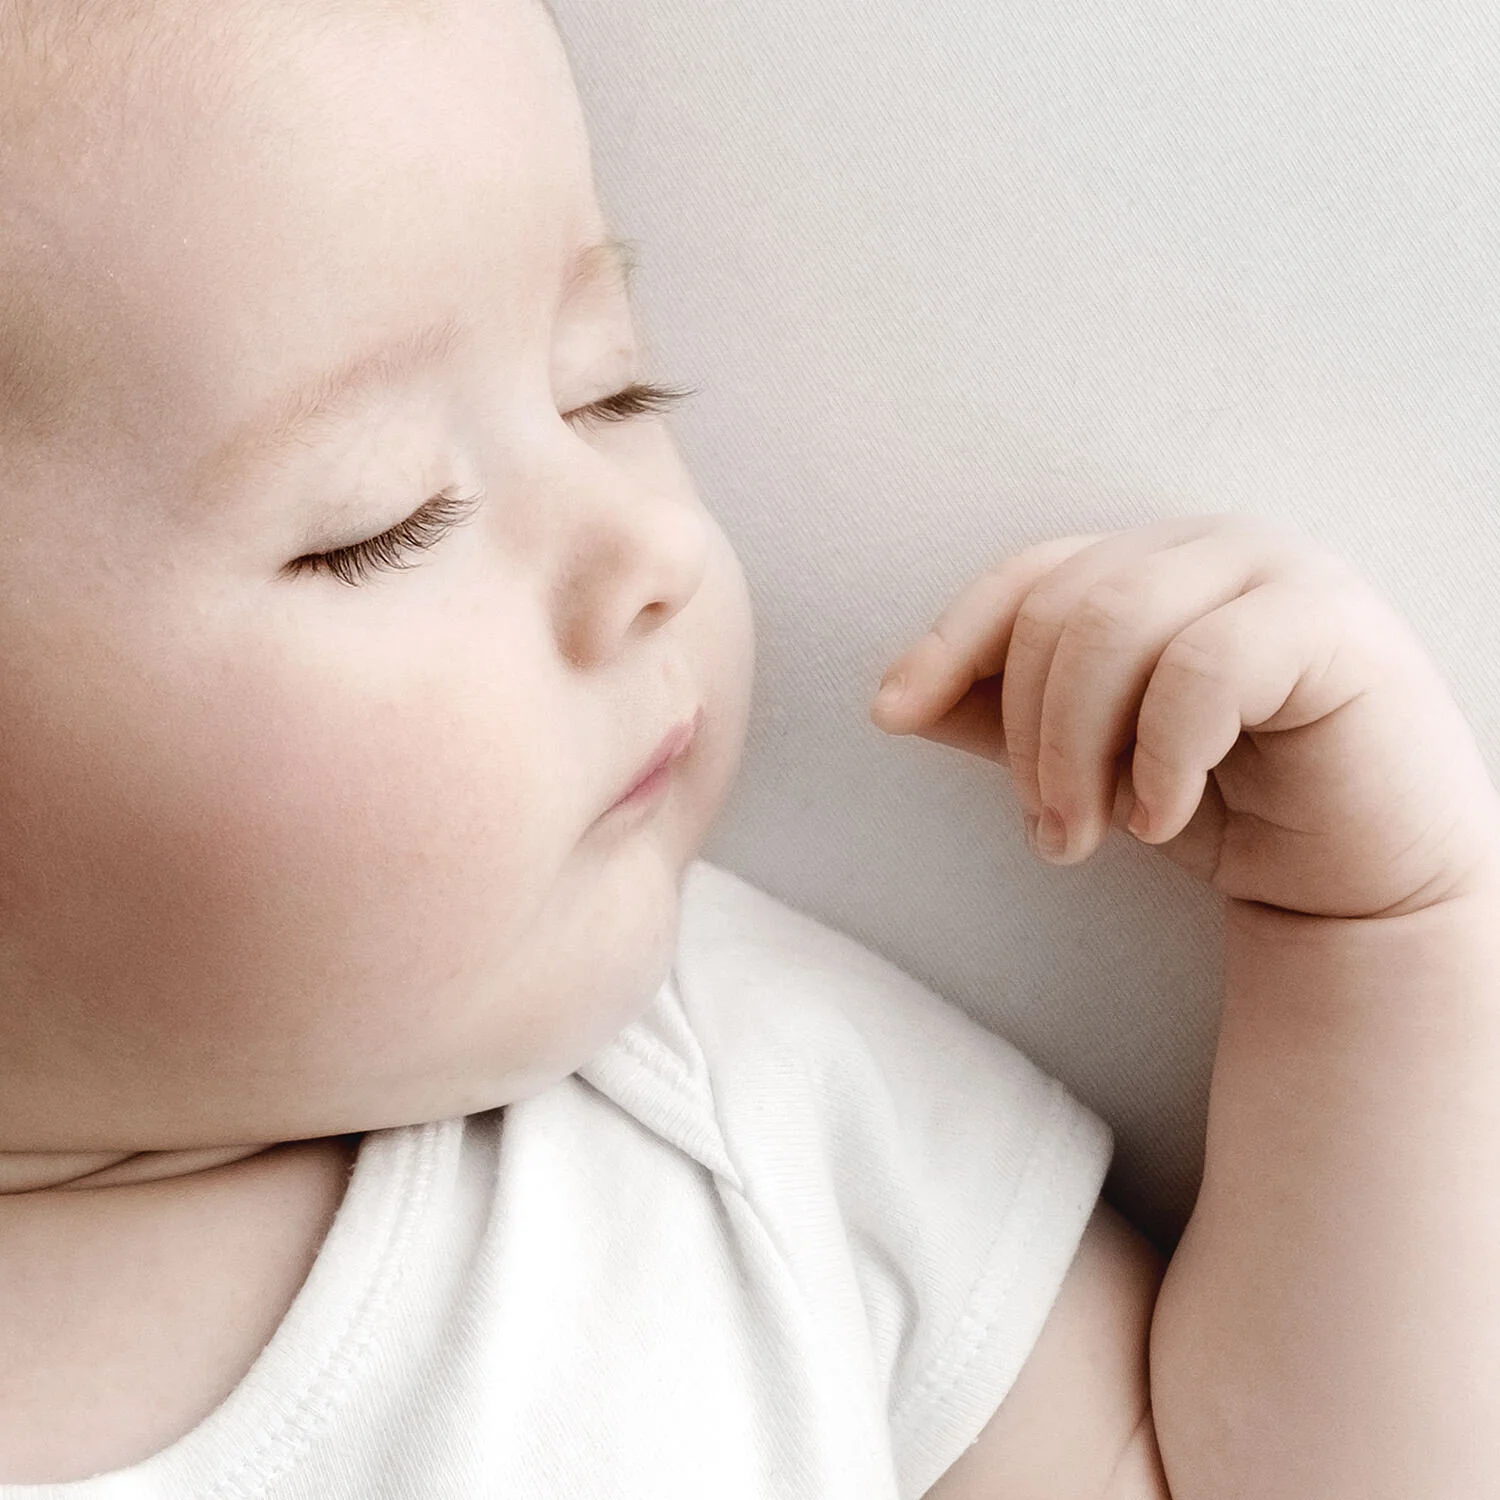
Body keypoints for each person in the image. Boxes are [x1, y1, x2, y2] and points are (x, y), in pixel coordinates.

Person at [3, 1, 1499, 1495]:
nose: (650, 541)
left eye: (608, 389)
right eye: (382, 521)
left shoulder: (732, 1124)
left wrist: (1372, 943)